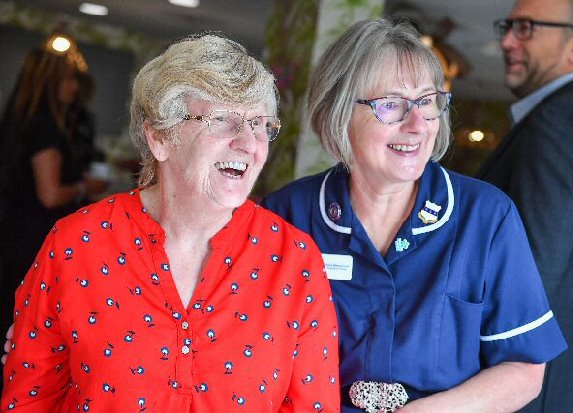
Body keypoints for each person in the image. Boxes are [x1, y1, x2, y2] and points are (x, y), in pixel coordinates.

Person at [0, 32, 340, 412]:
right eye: (223, 119)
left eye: (261, 123)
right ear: (160, 137)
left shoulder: (295, 261)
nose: (250, 143)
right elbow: (30, 398)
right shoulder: (77, 243)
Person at [262, 17, 567, 413]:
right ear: (338, 111)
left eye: (426, 102)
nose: (417, 124)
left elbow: (524, 367)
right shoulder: (286, 216)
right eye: (390, 105)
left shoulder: (485, 217)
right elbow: (248, 353)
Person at [476, 0, 573, 411]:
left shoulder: (561, 123)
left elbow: (526, 285)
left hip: (529, 393)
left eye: (526, 28)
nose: (506, 40)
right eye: (509, 25)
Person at [0, 46, 107, 394]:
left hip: (14, 232)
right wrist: (83, 186)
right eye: (68, 79)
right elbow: (49, 194)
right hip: (31, 239)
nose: (74, 87)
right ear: (51, 82)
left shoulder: (18, 120)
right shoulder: (44, 128)